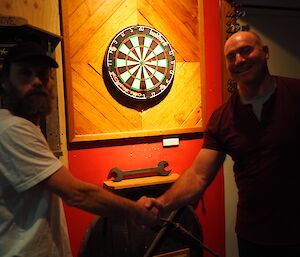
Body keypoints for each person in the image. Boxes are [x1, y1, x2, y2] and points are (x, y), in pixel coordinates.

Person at [139, 31, 300, 257]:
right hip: (253, 236)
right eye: (231, 56)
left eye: (246, 51)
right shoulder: (223, 117)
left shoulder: (296, 93)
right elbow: (198, 176)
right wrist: (161, 204)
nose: (239, 60)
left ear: (265, 52)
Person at [0, 42, 157, 257]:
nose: (36, 82)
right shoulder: (12, 128)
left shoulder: (22, 126)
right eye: (25, 74)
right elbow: (77, 194)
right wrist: (137, 212)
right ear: (5, 82)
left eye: (43, 75)